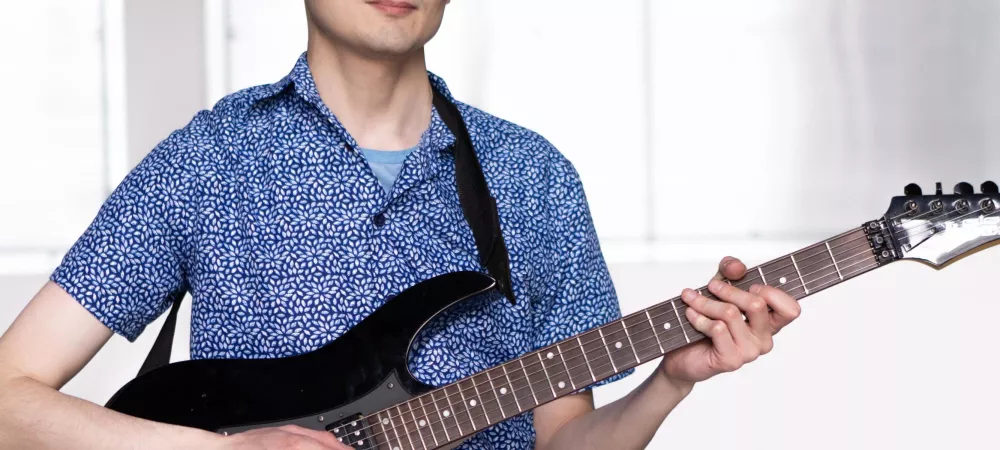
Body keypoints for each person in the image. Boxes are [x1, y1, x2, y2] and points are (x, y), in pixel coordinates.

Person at [0, 1, 800, 449]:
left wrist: (669, 381)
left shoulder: (534, 178)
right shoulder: (207, 162)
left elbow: (563, 440)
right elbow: (9, 398)